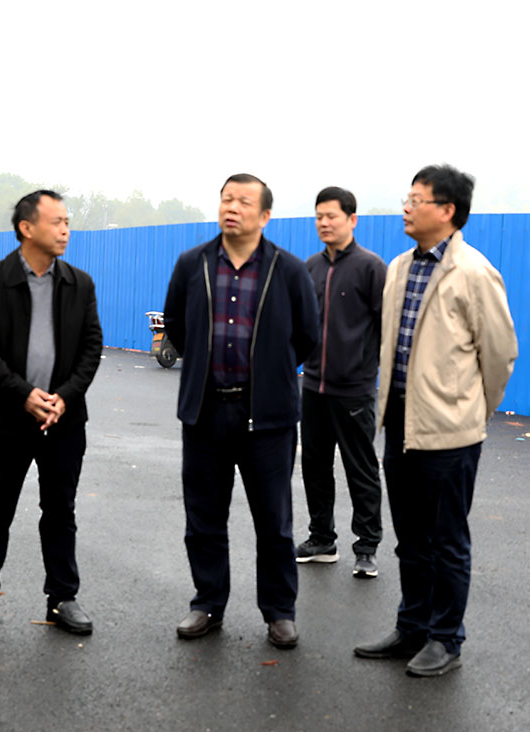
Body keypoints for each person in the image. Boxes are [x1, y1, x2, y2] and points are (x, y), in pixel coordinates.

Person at [354, 165, 517, 676]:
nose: (406, 208)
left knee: (447, 540)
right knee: (410, 537)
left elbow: (500, 354)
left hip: (451, 431)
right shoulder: (399, 267)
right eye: (407, 198)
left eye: (416, 200)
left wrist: (472, 412)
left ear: (447, 210)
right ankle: (412, 627)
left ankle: (446, 639)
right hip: (401, 422)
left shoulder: (474, 272)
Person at [162, 174, 319, 649]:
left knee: (274, 522)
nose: (232, 207)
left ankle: (279, 612)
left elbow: (307, 336)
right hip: (205, 411)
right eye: (226, 199)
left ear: (265, 215)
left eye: (244, 201)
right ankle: (207, 603)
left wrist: (268, 374)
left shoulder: (288, 270)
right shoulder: (192, 264)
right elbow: (177, 326)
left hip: (266, 418)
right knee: (204, 518)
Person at [0, 190, 103, 635]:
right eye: (57, 222)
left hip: (63, 419)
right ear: (26, 228)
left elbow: (92, 346)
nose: (65, 231)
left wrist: (64, 397)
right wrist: (23, 395)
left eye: (68, 222)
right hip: (7, 419)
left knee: (60, 511)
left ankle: (62, 598)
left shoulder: (80, 283)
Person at [297, 186, 387, 578]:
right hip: (313, 388)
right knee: (315, 466)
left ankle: (366, 547)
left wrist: (367, 372)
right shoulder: (310, 268)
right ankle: (322, 540)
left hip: (354, 391)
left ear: (352, 219)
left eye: (331, 216)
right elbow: (301, 325)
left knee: (360, 469)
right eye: (319, 216)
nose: (324, 223)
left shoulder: (371, 268)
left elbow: (386, 327)